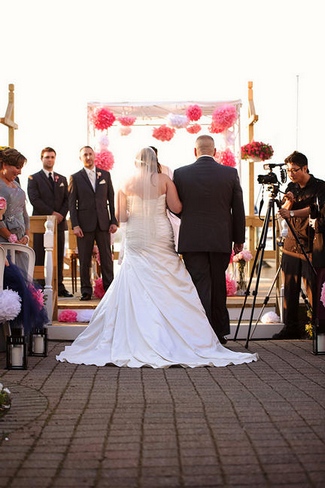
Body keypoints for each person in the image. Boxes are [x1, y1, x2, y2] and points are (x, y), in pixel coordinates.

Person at [56, 147, 258, 368]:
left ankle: (134, 334)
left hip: (136, 236)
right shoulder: (164, 180)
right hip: (160, 234)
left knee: (135, 279)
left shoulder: (125, 183)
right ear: (155, 161)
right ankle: (177, 335)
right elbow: (177, 207)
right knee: (168, 278)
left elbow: (121, 216)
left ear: (137, 162)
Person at [173, 135, 246, 345]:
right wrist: (238, 239)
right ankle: (219, 331)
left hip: (192, 240)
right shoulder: (230, 173)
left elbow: (175, 207)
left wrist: (189, 219)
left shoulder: (180, 174)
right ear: (215, 152)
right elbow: (238, 209)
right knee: (217, 284)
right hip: (220, 239)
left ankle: (199, 332)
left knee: (198, 285)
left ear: (195, 151)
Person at [274, 151, 325, 339]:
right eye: (288, 171)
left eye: (294, 170)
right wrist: (289, 202)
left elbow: (314, 210)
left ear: (305, 168)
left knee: (312, 287)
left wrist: (294, 213)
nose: (291, 174)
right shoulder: (291, 186)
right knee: (289, 287)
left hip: (310, 244)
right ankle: (290, 327)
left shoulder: (320, 187)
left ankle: (316, 327)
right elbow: (284, 211)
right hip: (290, 243)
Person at [69, 146, 118, 301]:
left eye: (90, 154)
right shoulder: (75, 177)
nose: (88, 157)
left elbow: (111, 199)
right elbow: (72, 204)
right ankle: (86, 291)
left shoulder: (105, 175)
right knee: (84, 259)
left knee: (106, 258)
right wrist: (75, 225)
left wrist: (113, 220)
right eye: (85, 155)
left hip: (103, 223)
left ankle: (110, 289)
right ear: (80, 158)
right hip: (84, 225)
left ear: (94, 156)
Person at [27, 147, 73, 297]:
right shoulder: (33, 178)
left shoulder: (62, 179)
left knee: (59, 255)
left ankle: (59, 286)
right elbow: (34, 199)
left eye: (52, 157)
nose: (50, 160)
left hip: (59, 224)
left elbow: (68, 200)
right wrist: (52, 213)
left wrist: (60, 215)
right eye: (47, 157)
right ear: (41, 158)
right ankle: (39, 287)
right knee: (40, 254)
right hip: (41, 224)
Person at [0, 148, 30, 271]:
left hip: (20, 242)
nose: (20, 172)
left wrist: (26, 237)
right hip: (5, 241)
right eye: (17, 167)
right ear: (5, 164)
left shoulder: (16, 184)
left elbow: (24, 213)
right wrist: (11, 239)